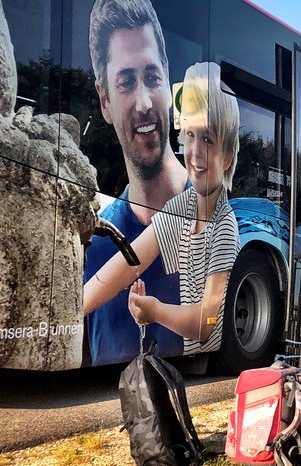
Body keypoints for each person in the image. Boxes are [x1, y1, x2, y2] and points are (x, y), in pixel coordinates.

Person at [85, 62, 241, 347]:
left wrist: (154, 311)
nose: (194, 153)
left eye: (207, 139)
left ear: (228, 156)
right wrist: (68, 310)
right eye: (190, 136)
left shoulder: (225, 228)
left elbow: (206, 323)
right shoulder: (183, 206)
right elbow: (129, 261)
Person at [84, 0, 188, 364]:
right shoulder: (94, 247)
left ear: (168, 84)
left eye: (152, 77)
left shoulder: (214, 213)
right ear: (105, 101)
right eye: (126, 82)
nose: (144, 101)